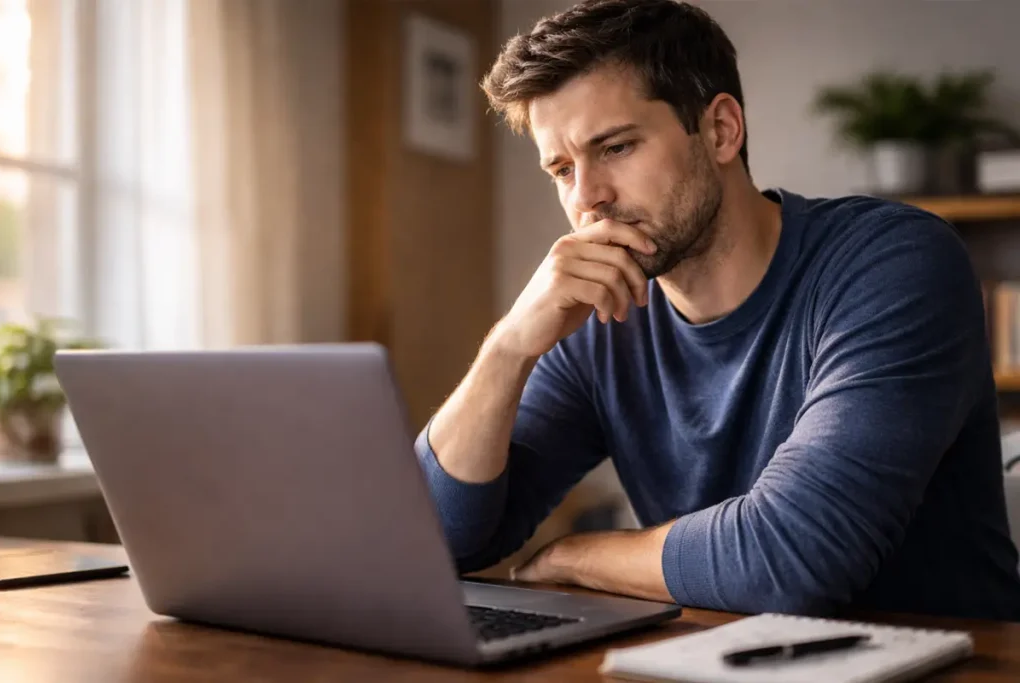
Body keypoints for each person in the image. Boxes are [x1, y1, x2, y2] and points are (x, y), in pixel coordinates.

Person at [414, 0, 1020, 620]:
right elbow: (429, 543)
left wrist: (579, 557)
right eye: (562, 168)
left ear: (722, 130)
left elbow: (793, 558)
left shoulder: (894, 264)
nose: (587, 198)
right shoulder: (603, 313)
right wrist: (509, 348)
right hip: (720, 660)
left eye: (617, 147)